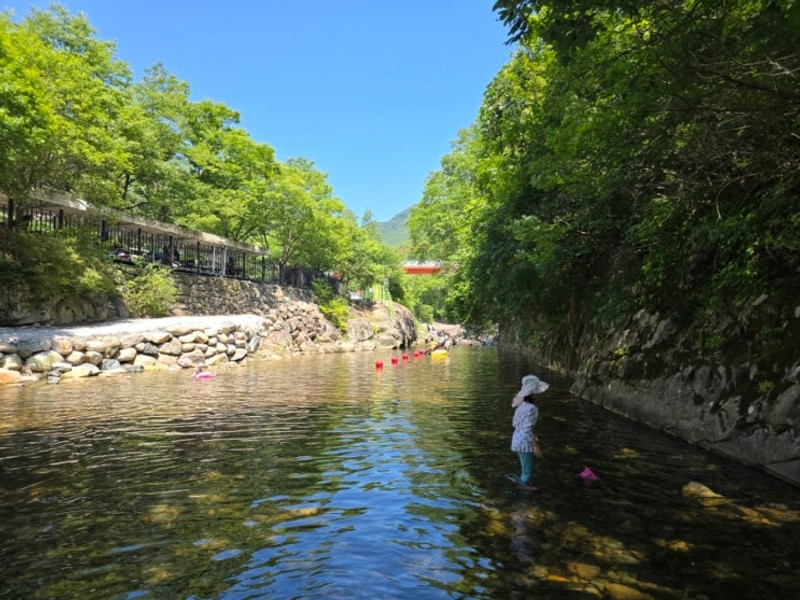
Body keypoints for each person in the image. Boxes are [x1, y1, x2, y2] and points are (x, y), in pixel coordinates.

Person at [510, 374, 549, 488]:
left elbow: (516, 423)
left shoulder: (521, 404)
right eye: (536, 391)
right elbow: (527, 428)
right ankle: (523, 498)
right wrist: (535, 444)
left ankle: (519, 484)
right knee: (527, 473)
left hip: (517, 438)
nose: (539, 394)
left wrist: (534, 435)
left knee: (525, 468)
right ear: (532, 393)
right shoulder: (532, 408)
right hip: (524, 443)